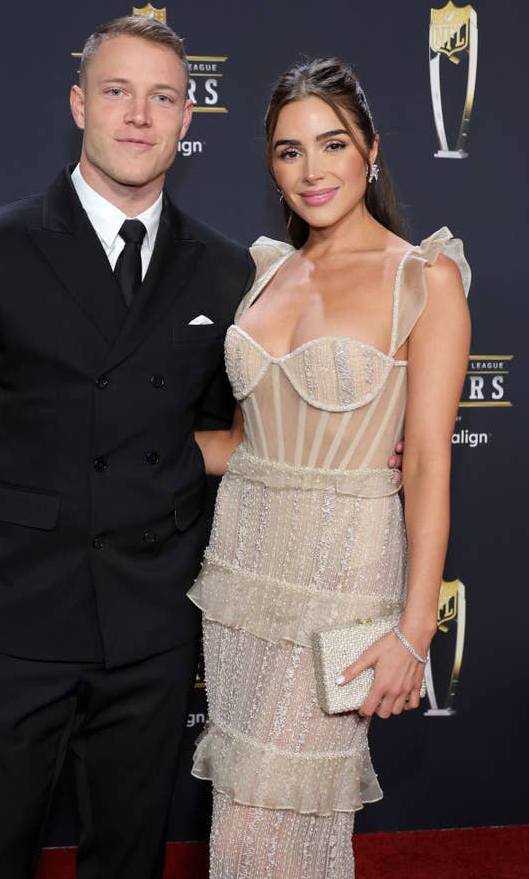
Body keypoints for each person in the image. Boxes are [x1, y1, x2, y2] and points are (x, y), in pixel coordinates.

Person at [0, 15, 256, 879]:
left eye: (163, 97)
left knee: (131, 853)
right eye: (117, 92)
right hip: (16, 612)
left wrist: (339, 457)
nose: (139, 115)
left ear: (186, 120)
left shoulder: (224, 268)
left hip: (155, 613)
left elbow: (222, 436)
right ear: (79, 105)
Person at [188, 58, 471, 878]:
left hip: (345, 573)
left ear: (371, 150)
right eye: (288, 151)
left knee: (268, 829)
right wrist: (104, 451)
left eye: (332, 144)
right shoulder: (265, 271)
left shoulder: (423, 278)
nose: (311, 171)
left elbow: (425, 468)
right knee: (251, 813)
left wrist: (414, 634)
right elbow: (245, 444)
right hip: (241, 571)